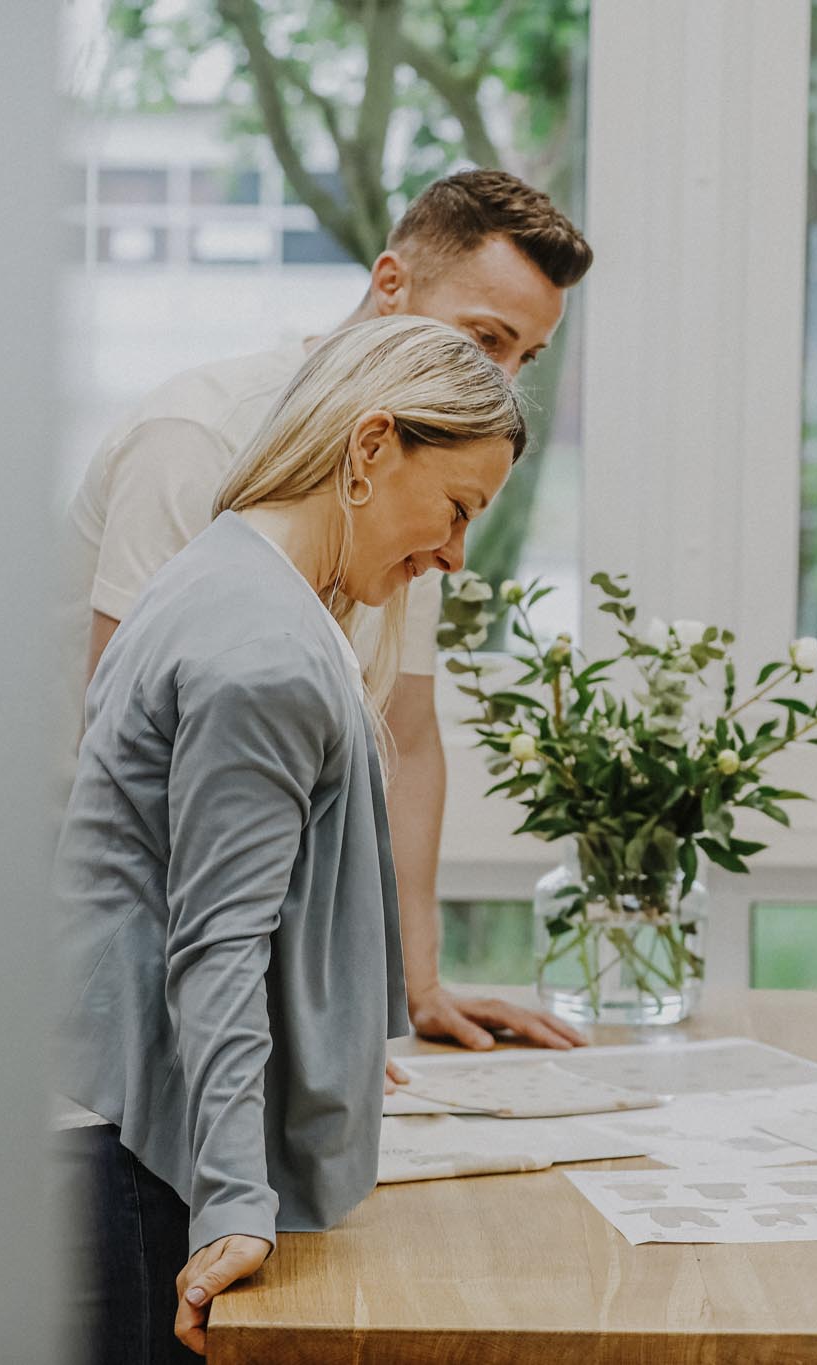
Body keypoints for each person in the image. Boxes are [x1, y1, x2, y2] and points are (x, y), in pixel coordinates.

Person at [55, 317, 526, 1361]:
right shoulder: (262, 651)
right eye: (455, 510)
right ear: (370, 447)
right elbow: (216, 941)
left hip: (122, 1124)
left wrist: (338, 1026)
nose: (451, 555)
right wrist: (232, 1205)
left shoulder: (225, 576)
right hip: (148, 1155)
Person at [62, 169, 593, 1056]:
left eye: (523, 358)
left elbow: (407, 736)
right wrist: (249, 1026)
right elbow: (127, 750)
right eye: (484, 337)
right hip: (87, 928)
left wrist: (411, 986)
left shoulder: (420, 470)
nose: (500, 377)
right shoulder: (199, 437)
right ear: (392, 285)